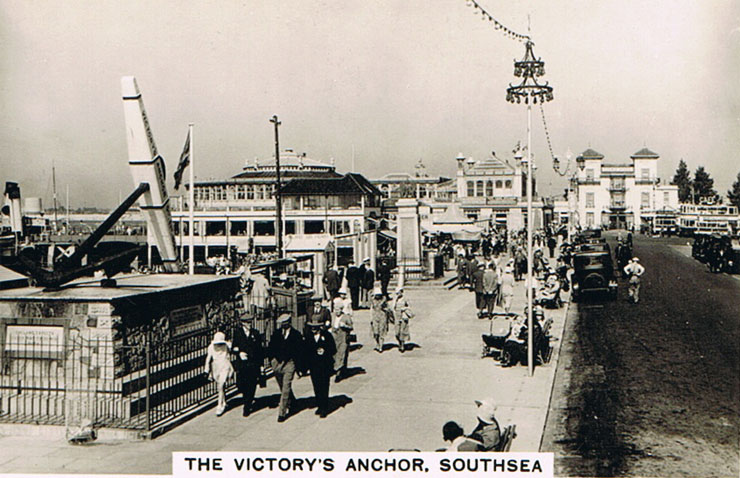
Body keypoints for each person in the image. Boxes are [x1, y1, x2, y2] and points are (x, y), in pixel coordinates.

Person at [267, 314, 304, 422]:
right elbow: (271, 347)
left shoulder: (296, 335)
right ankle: (293, 402)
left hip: (289, 364)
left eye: (285, 323)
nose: (283, 325)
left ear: (289, 322)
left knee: (286, 387)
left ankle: (282, 412)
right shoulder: (277, 334)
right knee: (282, 386)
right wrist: (272, 361)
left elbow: (299, 352)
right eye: (282, 323)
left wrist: (300, 368)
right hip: (277, 364)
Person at [231, 315, 264, 417]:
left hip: (253, 364)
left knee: (252, 385)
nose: (249, 324)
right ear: (243, 323)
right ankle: (247, 400)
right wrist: (239, 352)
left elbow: (260, 351)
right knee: (242, 385)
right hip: (242, 364)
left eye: (250, 322)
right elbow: (233, 347)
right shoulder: (238, 333)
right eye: (247, 322)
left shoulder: (255, 333)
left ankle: (247, 405)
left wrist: (261, 366)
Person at [303, 316, 336, 418]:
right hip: (314, 367)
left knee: (324, 386)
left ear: (320, 327)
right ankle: (319, 405)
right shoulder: (308, 337)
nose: (313, 329)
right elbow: (305, 352)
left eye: (315, 327)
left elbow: (333, 349)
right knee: (316, 386)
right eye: (312, 327)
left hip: (325, 366)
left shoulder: (327, 335)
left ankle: (324, 407)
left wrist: (325, 351)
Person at [204, 331, 234, 417]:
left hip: (225, 365)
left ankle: (219, 405)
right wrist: (206, 370)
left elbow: (232, 350)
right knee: (220, 386)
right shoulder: (211, 347)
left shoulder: (227, 346)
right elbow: (208, 359)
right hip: (216, 367)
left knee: (221, 384)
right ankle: (223, 402)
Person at [331, 289, 354, 382]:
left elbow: (351, 327)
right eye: (335, 309)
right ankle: (338, 369)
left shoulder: (346, 317)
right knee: (334, 354)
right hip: (334, 337)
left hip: (343, 337)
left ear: (341, 309)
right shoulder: (333, 316)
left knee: (341, 354)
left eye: (338, 309)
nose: (337, 311)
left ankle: (339, 373)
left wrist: (345, 326)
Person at [392, 286, 413, 353]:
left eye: (398, 293)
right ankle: (399, 342)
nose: (397, 294)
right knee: (397, 332)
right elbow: (392, 308)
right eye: (396, 293)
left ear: (401, 292)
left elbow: (409, 307)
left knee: (402, 331)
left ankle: (402, 345)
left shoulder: (405, 299)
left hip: (403, 315)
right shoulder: (395, 299)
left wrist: (405, 309)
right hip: (397, 316)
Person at [370, 287, 390, 352]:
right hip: (375, 316)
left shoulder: (384, 300)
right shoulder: (372, 300)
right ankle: (377, 343)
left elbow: (388, 308)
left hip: (382, 316)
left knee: (381, 331)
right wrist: (371, 318)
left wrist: (385, 309)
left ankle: (381, 346)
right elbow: (371, 309)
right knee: (375, 332)